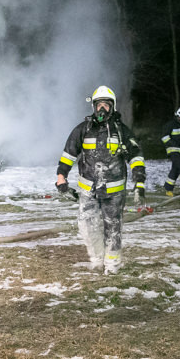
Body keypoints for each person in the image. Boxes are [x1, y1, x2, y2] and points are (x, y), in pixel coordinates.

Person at [56, 86, 146, 274]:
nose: (102, 109)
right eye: (99, 105)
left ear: (112, 107)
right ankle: (97, 261)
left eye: (106, 104)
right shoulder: (82, 130)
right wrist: (61, 177)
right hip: (88, 191)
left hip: (114, 193)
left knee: (113, 230)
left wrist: (139, 183)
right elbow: (68, 155)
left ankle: (112, 266)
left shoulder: (122, 132)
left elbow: (136, 158)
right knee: (88, 228)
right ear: (94, 107)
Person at [161, 106, 180, 196]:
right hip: (173, 150)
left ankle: (168, 189)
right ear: (178, 115)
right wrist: (173, 144)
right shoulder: (170, 125)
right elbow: (164, 137)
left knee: (176, 169)